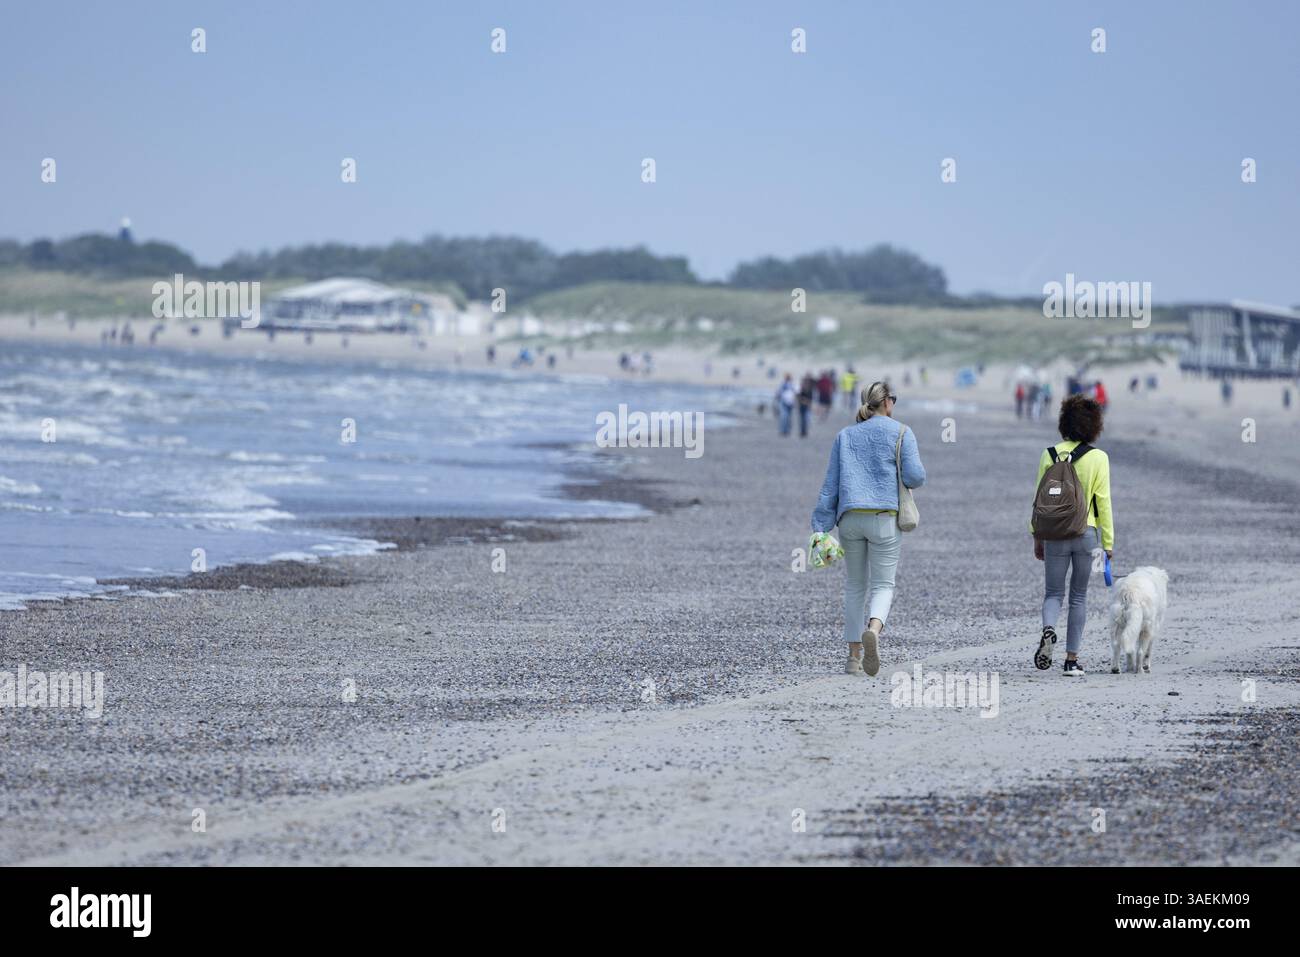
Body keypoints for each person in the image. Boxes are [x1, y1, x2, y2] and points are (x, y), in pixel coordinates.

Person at [811, 381, 926, 677]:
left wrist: (820, 527)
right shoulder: (901, 432)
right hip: (884, 517)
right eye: (894, 399)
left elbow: (830, 485)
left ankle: (853, 657)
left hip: (850, 519)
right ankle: (873, 628)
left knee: (854, 586)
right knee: (883, 584)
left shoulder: (845, 435)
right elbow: (915, 477)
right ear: (887, 402)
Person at [1030, 394, 1114, 677]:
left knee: (1053, 593)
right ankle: (1071, 660)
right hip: (1086, 533)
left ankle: (1049, 630)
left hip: (1053, 533)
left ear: (1063, 422)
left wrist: (1037, 536)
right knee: (1078, 596)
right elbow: (1104, 502)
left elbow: (1038, 499)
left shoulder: (1049, 454)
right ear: (1094, 426)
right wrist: (1108, 544)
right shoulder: (1099, 458)